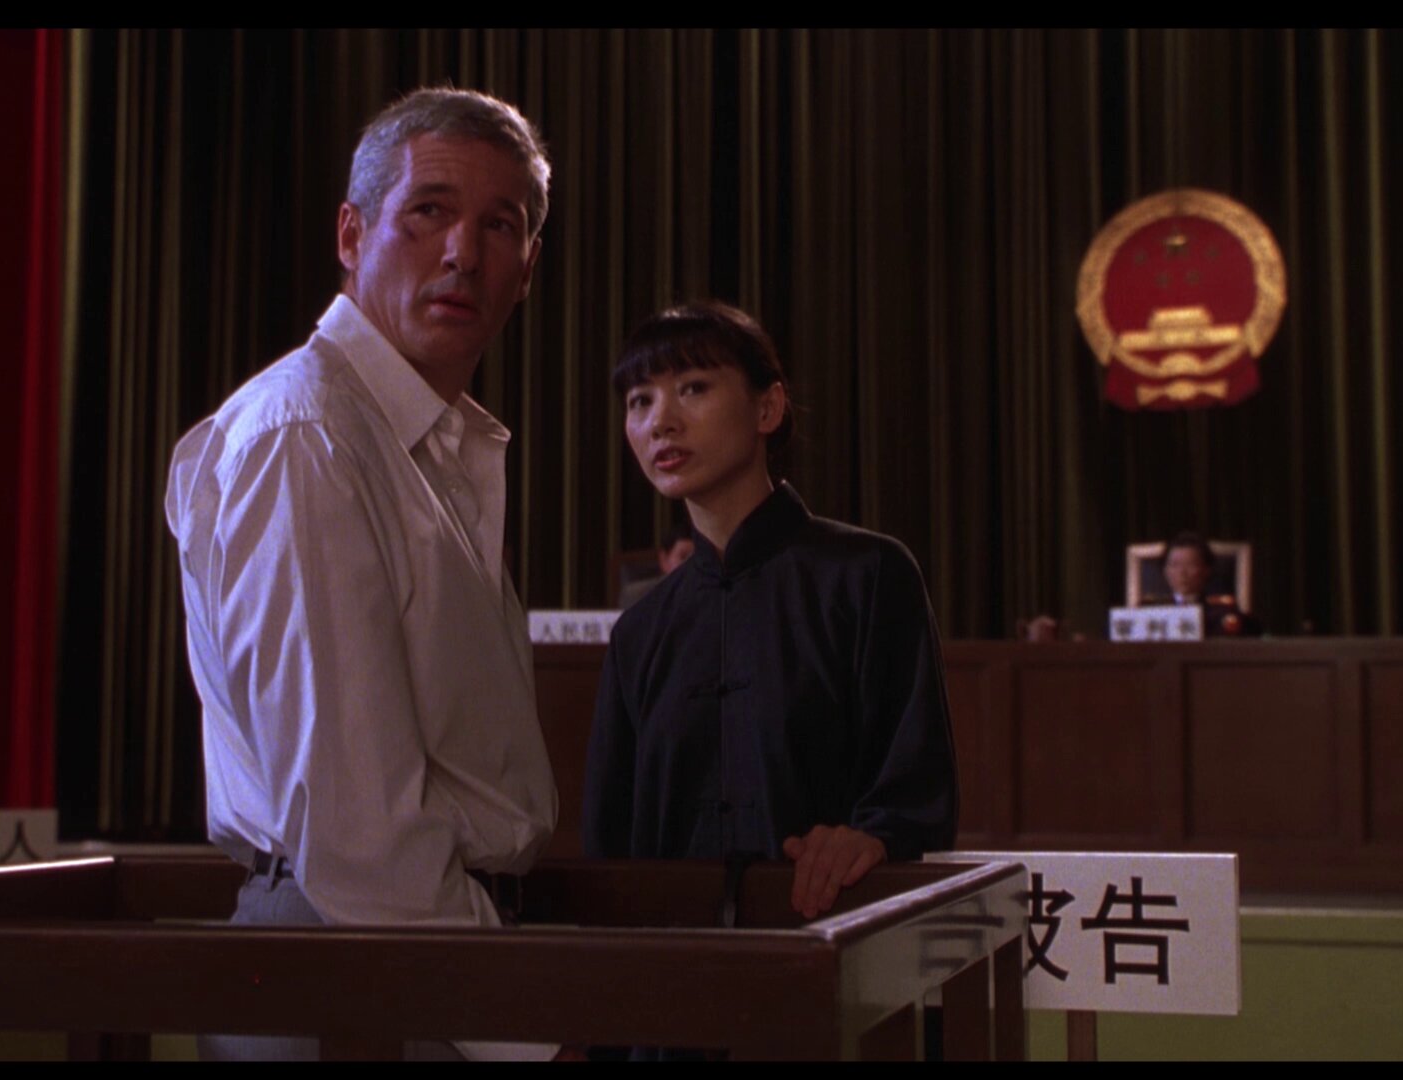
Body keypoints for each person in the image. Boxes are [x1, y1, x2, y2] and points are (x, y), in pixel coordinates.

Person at [165, 87, 558, 1061]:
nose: (462, 253)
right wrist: (530, 1041)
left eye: (499, 225)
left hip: (424, 957)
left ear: (528, 268)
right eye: (428, 211)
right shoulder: (308, 434)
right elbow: (357, 830)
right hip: (355, 961)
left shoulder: (426, 443)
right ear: (351, 233)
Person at [582, 302, 959, 923]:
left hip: (835, 938)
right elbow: (610, 844)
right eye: (639, 401)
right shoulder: (639, 632)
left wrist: (869, 837)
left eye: (693, 388)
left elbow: (914, 788)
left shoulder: (867, 575)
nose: (660, 422)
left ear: (768, 408)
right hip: (675, 956)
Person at [1143, 530, 1263, 638]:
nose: (1182, 573)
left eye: (1190, 565)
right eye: (1174, 565)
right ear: (1165, 571)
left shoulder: (1221, 613)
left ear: (1206, 570)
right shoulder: (1149, 611)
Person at [617, 517, 696, 609]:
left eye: (696, 558)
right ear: (664, 560)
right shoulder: (637, 595)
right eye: (683, 556)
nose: (691, 564)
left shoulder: (707, 594)